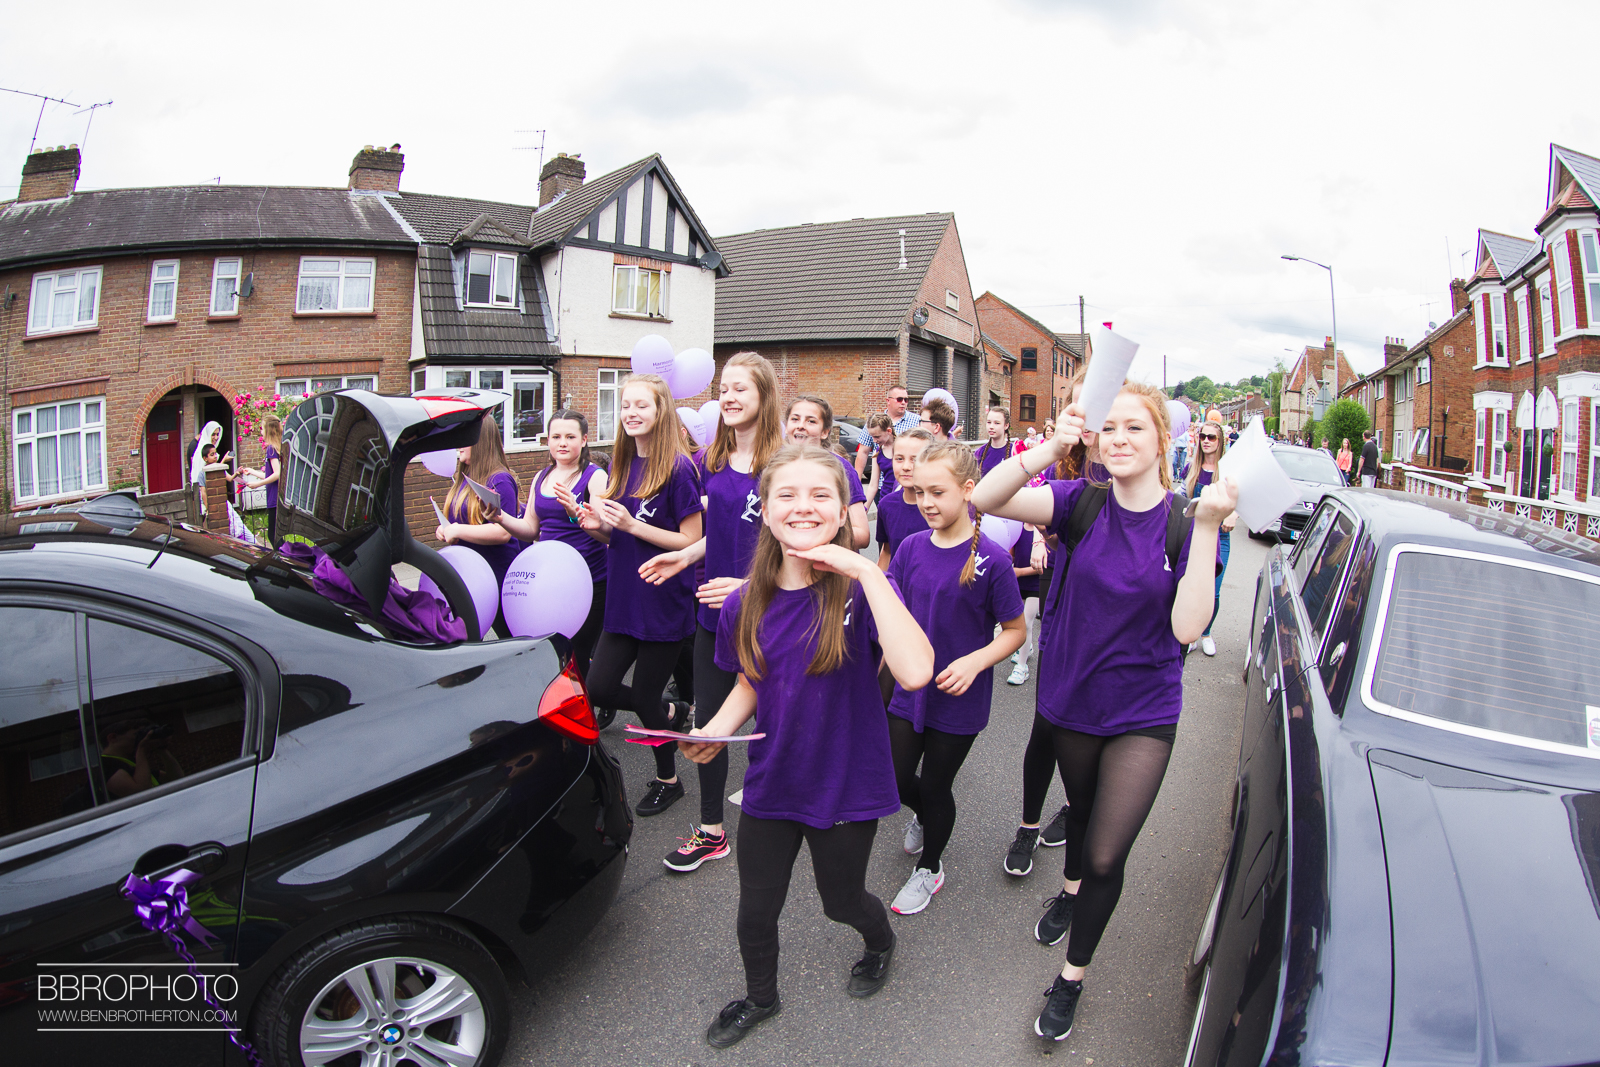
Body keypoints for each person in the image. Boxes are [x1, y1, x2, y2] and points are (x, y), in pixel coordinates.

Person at [972, 379, 1235, 1042]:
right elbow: (985, 498)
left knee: (1107, 855)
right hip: (1073, 696)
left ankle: (1071, 976)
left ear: (1162, 441)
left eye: (1134, 427)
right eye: (1108, 427)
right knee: (1083, 814)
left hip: (1144, 710)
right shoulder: (1077, 501)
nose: (1118, 438)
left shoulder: (1184, 521)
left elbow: (1188, 626)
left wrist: (1208, 527)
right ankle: (1069, 893)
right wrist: (1048, 448)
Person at [678, 444, 934, 1049]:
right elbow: (749, 682)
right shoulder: (743, 601)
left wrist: (867, 572)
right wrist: (715, 729)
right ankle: (760, 998)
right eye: (786, 495)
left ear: (843, 511)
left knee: (840, 901)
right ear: (765, 511)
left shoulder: (864, 591)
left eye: (821, 494)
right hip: (773, 779)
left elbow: (917, 670)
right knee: (755, 909)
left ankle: (880, 941)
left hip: (847, 781)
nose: (803, 506)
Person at [641, 352, 785, 872]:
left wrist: (748, 586)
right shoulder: (711, 461)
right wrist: (684, 555)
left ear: (764, 396)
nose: (728, 397)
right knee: (709, 724)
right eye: (724, 388)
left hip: (772, 618)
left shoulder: (784, 466)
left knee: (777, 725)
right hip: (713, 619)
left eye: (740, 388)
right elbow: (720, 534)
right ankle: (710, 831)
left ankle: (785, 814)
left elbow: (803, 549)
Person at [885, 442, 1026, 915]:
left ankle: (931, 867)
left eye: (937, 492)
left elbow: (1015, 631)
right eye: (920, 491)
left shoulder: (993, 559)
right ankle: (925, 816)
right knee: (895, 778)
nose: (926, 502)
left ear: (968, 490)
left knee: (936, 784)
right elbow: (891, 612)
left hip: (958, 697)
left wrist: (975, 661)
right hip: (909, 690)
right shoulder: (910, 548)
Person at [579, 375, 704, 817]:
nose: (631, 413)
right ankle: (671, 712)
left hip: (662, 601)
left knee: (646, 699)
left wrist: (633, 525)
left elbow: (691, 540)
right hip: (623, 599)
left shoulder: (679, 468)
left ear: (661, 410)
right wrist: (596, 527)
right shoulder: (623, 462)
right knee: (598, 687)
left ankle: (669, 779)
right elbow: (618, 538)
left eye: (641, 405)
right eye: (626, 405)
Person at [487, 410, 609, 676]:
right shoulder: (541, 476)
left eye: (570, 437)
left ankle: (587, 700)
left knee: (577, 656)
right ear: (548, 441)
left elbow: (606, 532)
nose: (562, 443)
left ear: (584, 440)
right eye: (556, 437)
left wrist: (577, 512)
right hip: (550, 583)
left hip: (589, 581)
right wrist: (500, 517)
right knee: (552, 655)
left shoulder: (595, 476)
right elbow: (530, 530)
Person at [784, 396, 870, 548]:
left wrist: (812, 534)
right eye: (795, 419)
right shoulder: (775, 468)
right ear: (786, 426)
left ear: (824, 432)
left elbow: (862, 534)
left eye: (811, 421)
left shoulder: (841, 468)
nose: (801, 426)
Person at [1183, 419, 1237, 658]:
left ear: (1220, 441)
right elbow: (1181, 499)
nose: (1206, 441)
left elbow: (1239, 501)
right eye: (1203, 436)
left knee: (1213, 590)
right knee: (1190, 586)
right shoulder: (1191, 469)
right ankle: (1191, 635)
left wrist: (1234, 514)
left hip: (1219, 538)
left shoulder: (1228, 472)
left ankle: (1206, 633)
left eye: (1211, 437)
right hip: (1192, 535)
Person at [874, 429, 934, 570]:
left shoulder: (938, 507)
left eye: (915, 459)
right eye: (899, 459)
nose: (906, 467)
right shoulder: (886, 505)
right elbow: (887, 551)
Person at [101, 720, 184, 798]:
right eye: (136, 734)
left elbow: (176, 780)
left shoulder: (131, 765)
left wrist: (161, 749)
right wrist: (142, 749)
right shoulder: (104, 765)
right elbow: (141, 794)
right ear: (112, 738)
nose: (141, 739)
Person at [1006, 524, 1043, 686]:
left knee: (1026, 623)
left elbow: (1044, 565)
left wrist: (1020, 572)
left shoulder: (1042, 532)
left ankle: (1022, 667)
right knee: (1018, 620)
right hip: (1017, 583)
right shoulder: (1018, 527)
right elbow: (1011, 555)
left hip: (1036, 584)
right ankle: (1027, 647)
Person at [243, 415, 283, 546]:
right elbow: (270, 475)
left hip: (274, 498)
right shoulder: (278, 448)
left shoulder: (271, 449)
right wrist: (252, 471)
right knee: (277, 536)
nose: (261, 431)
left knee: (273, 536)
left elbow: (277, 474)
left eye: (262, 428)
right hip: (278, 497)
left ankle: (285, 557)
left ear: (268, 430)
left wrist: (257, 484)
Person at [855, 414, 898, 507]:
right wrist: (865, 508)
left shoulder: (902, 447)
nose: (874, 441)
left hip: (900, 499)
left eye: (877, 436)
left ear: (889, 431)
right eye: (872, 437)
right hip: (885, 499)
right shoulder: (878, 451)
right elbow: (873, 485)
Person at [975, 407, 1018, 477]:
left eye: (997, 423)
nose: (991, 427)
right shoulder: (980, 452)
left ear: (1006, 425)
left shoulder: (1014, 451)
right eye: (989, 422)